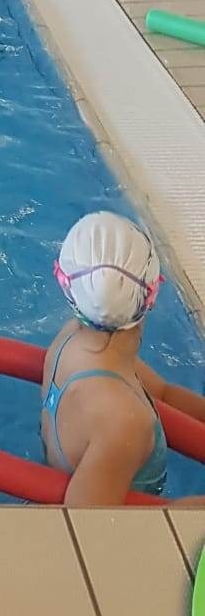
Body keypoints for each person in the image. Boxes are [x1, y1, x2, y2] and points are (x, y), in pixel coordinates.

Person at [42, 212, 205, 507]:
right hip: (113, 529)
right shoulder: (123, 422)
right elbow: (83, 529)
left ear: (69, 289)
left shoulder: (71, 341)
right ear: (152, 295)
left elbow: (165, 393)